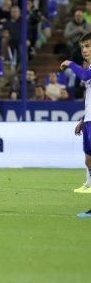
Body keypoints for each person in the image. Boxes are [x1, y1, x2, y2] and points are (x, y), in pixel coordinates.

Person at [60, 34, 91, 201]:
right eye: (83, 47)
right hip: (89, 119)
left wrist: (70, 63)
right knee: (88, 158)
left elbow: (85, 76)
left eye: (87, 46)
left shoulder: (87, 72)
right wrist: (84, 119)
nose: (84, 50)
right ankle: (88, 184)